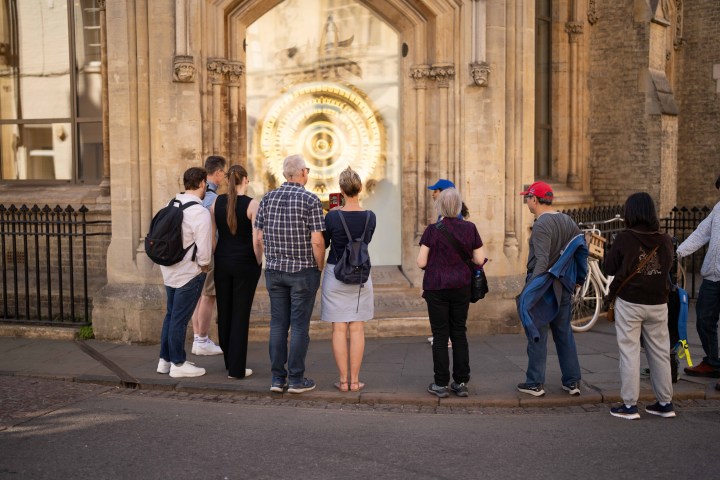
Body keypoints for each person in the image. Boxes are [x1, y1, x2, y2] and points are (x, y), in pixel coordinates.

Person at [254, 154, 325, 394]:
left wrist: (263, 261)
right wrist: (320, 266)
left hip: (274, 271)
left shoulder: (267, 199)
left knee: (277, 324)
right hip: (302, 271)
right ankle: (295, 379)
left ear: (286, 174)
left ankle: (277, 379)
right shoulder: (310, 200)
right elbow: (317, 241)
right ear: (302, 173)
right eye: (307, 170)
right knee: (298, 326)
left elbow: (259, 237)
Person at [605, 192, 675, 419]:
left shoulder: (626, 238)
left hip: (631, 301)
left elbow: (609, 267)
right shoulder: (665, 239)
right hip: (658, 302)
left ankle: (629, 406)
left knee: (629, 351)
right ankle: (665, 403)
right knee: (660, 352)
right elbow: (668, 269)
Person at [516, 181, 585, 397]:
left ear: (534, 200)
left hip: (544, 289)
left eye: (527, 197)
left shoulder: (541, 225)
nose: (527, 201)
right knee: (564, 334)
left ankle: (535, 382)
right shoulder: (568, 220)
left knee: (537, 334)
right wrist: (579, 279)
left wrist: (530, 291)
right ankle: (572, 382)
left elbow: (542, 262)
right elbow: (582, 251)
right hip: (564, 285)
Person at [417, 188, 485, 398]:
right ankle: (461, 382)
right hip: (461, 286)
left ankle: (440, 383)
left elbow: (421, 262)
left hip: (436, 287)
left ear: (440, 207)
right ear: (458, 207)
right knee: (459, 332)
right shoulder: (470, 228)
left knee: (440, 335)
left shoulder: (432, 230)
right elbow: (479, 260)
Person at [321, 167, 377, 392]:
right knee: (357, 329)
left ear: (341, 190)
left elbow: (325, 243)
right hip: (361, 275)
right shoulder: (370, 217)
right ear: (360, 188)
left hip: (336, 273)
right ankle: (355, 381)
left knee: (338, 329)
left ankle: (343, 381)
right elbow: (366, 241)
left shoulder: (333, 216)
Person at [156, 167, 212, 378]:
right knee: (179, 318)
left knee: (171, 315)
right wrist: (204, 266)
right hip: (189, 273)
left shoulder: (171, 204)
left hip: (169, 269)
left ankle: (165, 360)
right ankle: (178, 364)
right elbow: (204, 249)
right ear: (202, 184)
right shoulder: (199, 212)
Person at [211, 164, 263, 379]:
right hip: (245, 263)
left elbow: (213, 236)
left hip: (222, 261)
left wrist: (212, 259)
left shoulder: (217, 202)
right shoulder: (252, 204)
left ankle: (229, 361)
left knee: (225, 311)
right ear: (246, 180)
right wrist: (259, 261)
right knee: (241, 313)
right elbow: (257, 239)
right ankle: (236, 368)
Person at [676, 174, 720, 384]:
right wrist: (677, 253)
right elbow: (701, 233)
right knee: (703, 319)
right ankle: (712, 361)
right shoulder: (718, 210)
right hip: (712, 277)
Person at [190, 155, 227, 356]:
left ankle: (198, 338)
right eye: (224, 173)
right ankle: (202, 339)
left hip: (193, 253)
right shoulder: (213, 198)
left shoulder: (199, 195)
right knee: (208, 296)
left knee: (198, 296)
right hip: (209, 253)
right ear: (218, 173)